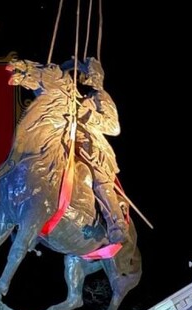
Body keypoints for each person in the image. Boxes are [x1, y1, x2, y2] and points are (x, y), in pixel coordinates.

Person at [74, 58, 128, 244]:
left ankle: (116, 225)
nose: (83, 78)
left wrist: (88, 114)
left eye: (86, 74)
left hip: (93, 149)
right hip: (73, 145)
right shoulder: (81, 96)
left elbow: (114, 127)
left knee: (99, 181)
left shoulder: (100, 96)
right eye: (83, 74)